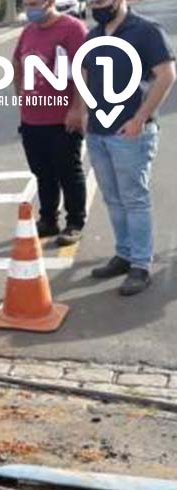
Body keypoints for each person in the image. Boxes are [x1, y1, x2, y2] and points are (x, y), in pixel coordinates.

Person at [80, 0, 175, 295]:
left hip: (131, 134)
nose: (97, 5)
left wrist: (140, 118)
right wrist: (84, 112)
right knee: (113, 198)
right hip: (98, 133)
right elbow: (84, 73)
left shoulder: (146, 30)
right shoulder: (93, 36)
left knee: (134, 199)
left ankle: (140, 265)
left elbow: (167, 75)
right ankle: (123, 255)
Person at [13, 0, 88, 246]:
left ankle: (75, 222)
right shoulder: (28, 31)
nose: (30, 8)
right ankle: (48, 220)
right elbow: (17, 64)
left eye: (35, 3)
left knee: (68, 172)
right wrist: (21, 97)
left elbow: (83, 70)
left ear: (50, 3)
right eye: (27, 4)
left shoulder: (73, 29)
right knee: (42, 173)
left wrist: (78, 109)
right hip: (32, 119)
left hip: (62, 118)